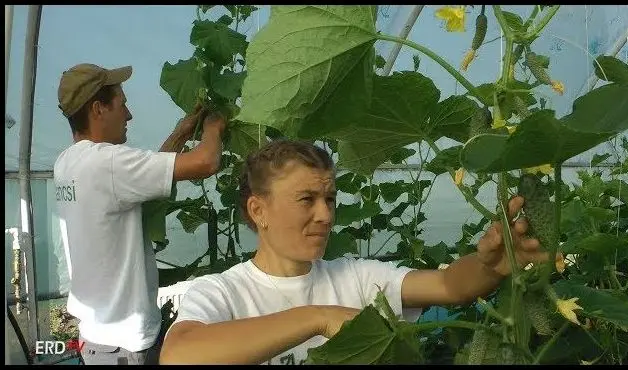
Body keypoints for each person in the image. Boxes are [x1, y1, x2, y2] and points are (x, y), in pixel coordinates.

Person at [159, 140, 552, 365]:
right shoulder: (221, 293)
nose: (325, 215)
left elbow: (450, 286)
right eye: (306, 199)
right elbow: (179, 357)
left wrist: (490, 265)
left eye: (330, 199)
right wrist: (318, 317)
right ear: (258, 210)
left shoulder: (356, 277)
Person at [53, 63, 227, 365]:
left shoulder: (67, 163)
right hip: (124, 344)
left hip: (98, 337)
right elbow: (206, 162)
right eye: (123, 104)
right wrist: (214, 124)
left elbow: (141, 175)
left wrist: (182, 132)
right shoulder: (106, 163)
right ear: (98, 109)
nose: (129, 115)